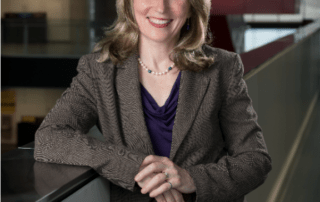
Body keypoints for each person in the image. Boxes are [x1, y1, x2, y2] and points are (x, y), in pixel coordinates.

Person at [34, 0, 272, 201]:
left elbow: (255, 160)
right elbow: (50, 137)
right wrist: (135, 167)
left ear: (192, 5)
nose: (161, 7)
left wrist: (193, 179)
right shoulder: (99, 71)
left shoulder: (223, 67)